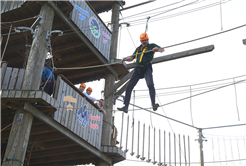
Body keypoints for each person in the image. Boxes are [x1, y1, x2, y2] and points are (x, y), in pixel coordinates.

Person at [117, 33, 164, 113]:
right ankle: (126, 106)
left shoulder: (151, 46)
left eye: (145, 40)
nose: (144, 42)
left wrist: (157, 49)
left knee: (150, 84)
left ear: (148, 40)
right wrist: (126, 59)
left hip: (146, 68)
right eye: (143, 41)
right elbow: (132, 57)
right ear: (141, 41)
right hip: (137, 70)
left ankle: (153, 104)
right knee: (129, 87)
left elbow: (162, 49)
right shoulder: (138, 49)